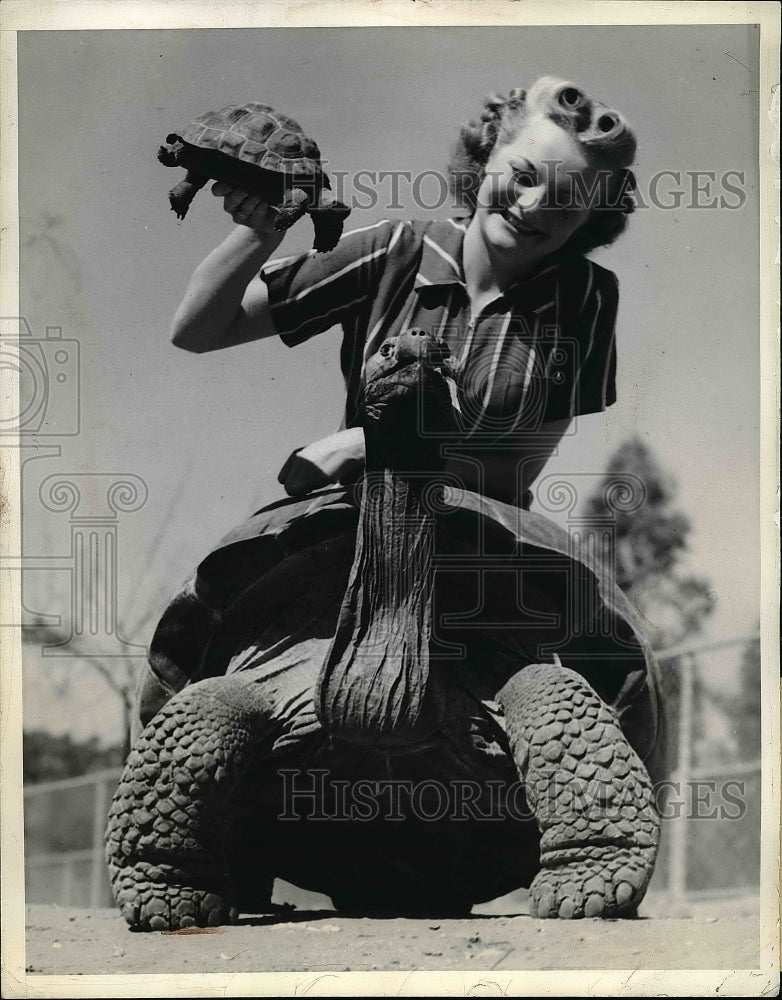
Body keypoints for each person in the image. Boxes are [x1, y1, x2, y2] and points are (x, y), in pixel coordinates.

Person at [135, 76, 664, 784]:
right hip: (357, 538)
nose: (537, 206)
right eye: (525, 176)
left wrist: (373, 444)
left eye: (567, 199)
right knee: (208, 691)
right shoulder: (394, 251)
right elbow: (198, 329)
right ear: (487, 157)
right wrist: (261, 230)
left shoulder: (586, 300)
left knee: (604, 686)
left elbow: (518, 471)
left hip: (484, 545)